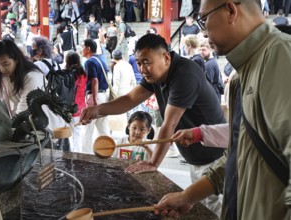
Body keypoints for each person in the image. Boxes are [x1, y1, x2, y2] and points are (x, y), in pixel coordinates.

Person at [154, 1, 291, 220]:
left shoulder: (279, 56)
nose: (203, 32)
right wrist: (187, 196)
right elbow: (239, 158)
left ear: (231, 10)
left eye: (204, 19)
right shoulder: (243, 75)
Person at [80, 33, 226, 215]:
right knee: (203, 208)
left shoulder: (184, 75)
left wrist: (153, 163)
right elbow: (131, 98)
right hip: (196, 157)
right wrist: (99, 110)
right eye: (139, 63)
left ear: (165, 57)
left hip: (216, 158)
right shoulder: (157, 75)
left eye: (146, 62)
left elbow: (169, 124)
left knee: (217, 211)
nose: (142, 69)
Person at [0, 39, 67, 133]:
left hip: (50, 128)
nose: (2, 69)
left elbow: (23, 111)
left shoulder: (32, 77)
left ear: (16, 59)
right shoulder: (4, 77)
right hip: (30, 126)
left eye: (6, 64)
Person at [81, 38, 110, 154]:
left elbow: (94, 81)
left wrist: (94, 100)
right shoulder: (101, 60)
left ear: (88, 49)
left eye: (83, 47)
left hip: (95, 96)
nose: (81, 50)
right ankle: (108, 150)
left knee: (87, 128)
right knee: (103, 127)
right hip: (104, 96)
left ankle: (85, 154)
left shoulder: (89, 62)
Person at [65, 51, 87, 153]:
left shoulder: (68, 74)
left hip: (69, 107)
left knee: (68, 133)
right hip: (81, 107)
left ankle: (72, 154)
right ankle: (78, 153)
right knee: (78, 133)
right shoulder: (84, 74)